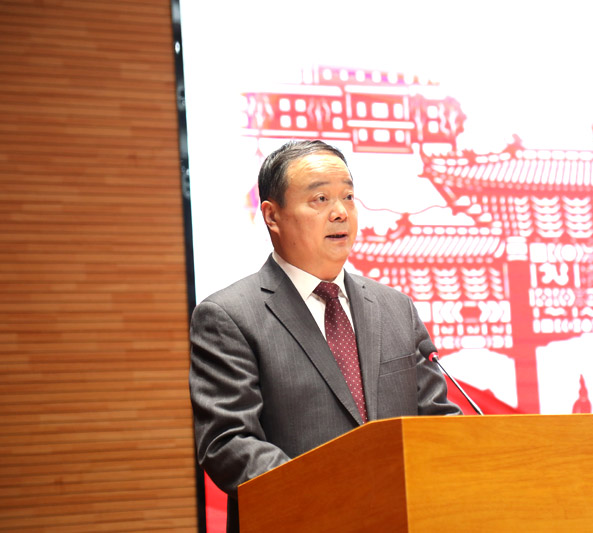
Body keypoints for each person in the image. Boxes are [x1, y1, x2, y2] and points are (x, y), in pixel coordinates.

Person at [189, 139, 461, 532]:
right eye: (320, 199)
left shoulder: (395, 307)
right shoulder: (229, 316)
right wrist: (332, 500)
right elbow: (229, 442)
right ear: (272, 216)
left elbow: (436, 422)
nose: (340, 213)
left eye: (348, 197)